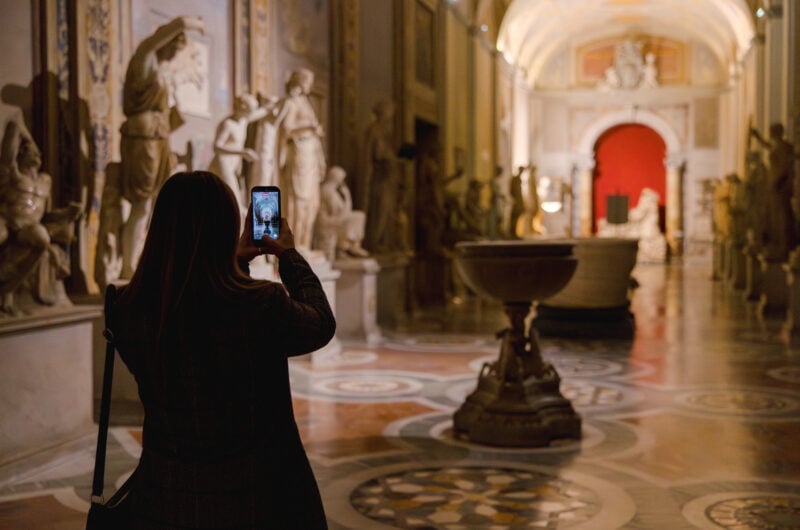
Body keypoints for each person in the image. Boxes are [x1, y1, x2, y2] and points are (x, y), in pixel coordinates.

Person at [109, 170, 335, 529]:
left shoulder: (126, 309)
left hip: (166, 497)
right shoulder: (260, 304)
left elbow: (194, 314)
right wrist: (288, 255)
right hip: (253, 497)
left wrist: (236, 263)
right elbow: (320, 324)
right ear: (227, 228)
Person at [118, 16, 205, 278]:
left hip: (159, 140)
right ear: (165, 43)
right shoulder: (144, 61)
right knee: (142, 203)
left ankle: (146, 262)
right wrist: (188, 23)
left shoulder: (160, 70)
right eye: (174, 48)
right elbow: (153, 41)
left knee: (159, 203)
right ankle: (127, 266)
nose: (174, 55)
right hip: (144, 140)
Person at [0, 118, 81, 315]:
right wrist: (27, 137)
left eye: (39, 153)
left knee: (42, 238)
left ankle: (6, 291)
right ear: (21, 154)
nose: (37, 154)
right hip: (7, 221)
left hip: (29, 228)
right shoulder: (12, 174)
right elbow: (14, 127)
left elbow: (47, 214)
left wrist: (69, 213)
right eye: (32, 151)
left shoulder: (46, 182)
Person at [277, 68, 326, 250]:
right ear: (299, 81)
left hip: (311, 154)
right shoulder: (291, 102)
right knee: (298, 199)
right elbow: (286, 128)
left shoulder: (306, 102)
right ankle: (293, 245)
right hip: (299, 154)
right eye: (308, 81)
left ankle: (304, 243)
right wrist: (308, 126)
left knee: (312, 202)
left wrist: (320, 159)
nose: (310, 85)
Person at [207, 93, 267, 214]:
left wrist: (274, 105)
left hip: (232, 164)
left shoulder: (243, 120)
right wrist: (242, 152)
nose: (251, 114)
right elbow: (216, 147)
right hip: (222, 164)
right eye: (250, 110)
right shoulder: (228, 124)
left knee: (228, 201)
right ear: (242, 108)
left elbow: (260, 112)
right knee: (234, 200)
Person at [750, 123, 797, 260]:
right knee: (772, 217)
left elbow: (784, 167)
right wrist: (758, 137)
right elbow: (769, 147)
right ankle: (775, 244)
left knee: (781, 217)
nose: (770, 133)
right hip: (773, 186)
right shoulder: (777, 146)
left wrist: (776, 182)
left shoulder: (783, 147)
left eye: (771, 131)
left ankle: (784, 246)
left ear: (777, 132)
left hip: (779, 187)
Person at [316, 165, 368, 261]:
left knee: (359, 216)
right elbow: (339, 211)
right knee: (356, 217)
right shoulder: (328, 190)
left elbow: (344, 211)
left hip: (334, 218)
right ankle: (344, 247)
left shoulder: (332, 190)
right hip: (328, 221)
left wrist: (346, 197)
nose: (342, 181)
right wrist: (347, 196)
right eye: (341, 179)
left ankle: (353, 244)